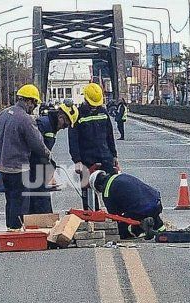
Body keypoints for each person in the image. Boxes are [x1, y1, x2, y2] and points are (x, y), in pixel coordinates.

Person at [0, 84, 51, 231]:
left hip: (1, 166)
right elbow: (36, 143)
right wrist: (48, 154)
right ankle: (17, 230)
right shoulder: (25, 119)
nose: (34, 107)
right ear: (29, 101)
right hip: (18, 167)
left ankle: (10, 227)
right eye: (34, 103)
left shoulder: (3, 114)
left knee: (10, 199)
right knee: (21, 201)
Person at [68, 82, 119, 210]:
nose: (95, 107)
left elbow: (109, 135)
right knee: (88, 190)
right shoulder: (77, 115)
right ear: (85, 99)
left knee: (112, 188)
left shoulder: (103, 112)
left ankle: (114, 215)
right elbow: (73, 140)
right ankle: (91, 217)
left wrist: (114, 155)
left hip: (105, 157)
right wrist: (77, 160)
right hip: (86, 160)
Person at [28, 99, 79, 214]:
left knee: (40, 198)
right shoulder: (43, 124)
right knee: (39, 199)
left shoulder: (51, 126)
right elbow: (36, 149)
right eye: (66, 123)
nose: (65, 127)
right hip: (34, 168)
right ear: (61, 116)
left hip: (39, 168)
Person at [89, 170, 166, 240]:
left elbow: (115, 216)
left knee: (122, 225)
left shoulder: (106, 192)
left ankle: (140, 230)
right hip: (156, 202)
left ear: (99, 186)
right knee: (152, 213)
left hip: (142, 209)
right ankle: (162, 230)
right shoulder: (119, 176)